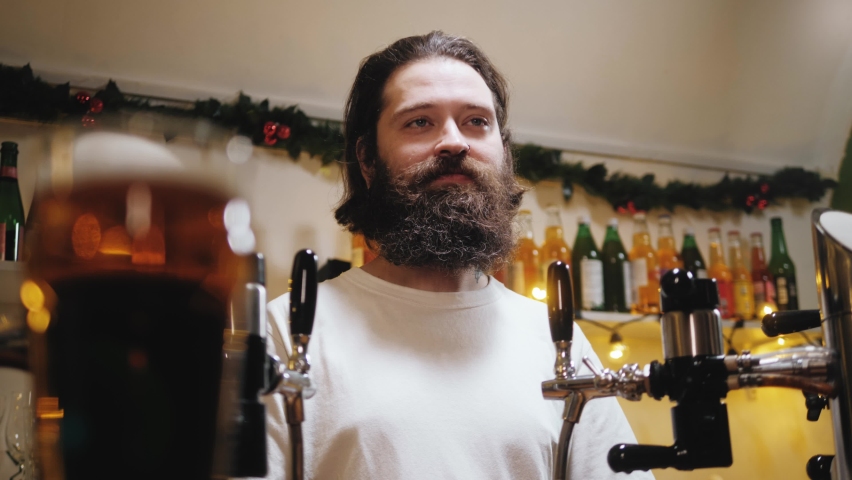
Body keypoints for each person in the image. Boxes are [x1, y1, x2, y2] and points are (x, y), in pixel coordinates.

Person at [262, 30, 654, 479]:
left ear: (503, 156)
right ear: (368, 160)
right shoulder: (291, 331)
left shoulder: (555, 340)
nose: (454, 142)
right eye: (419, 122)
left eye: (476, 122)